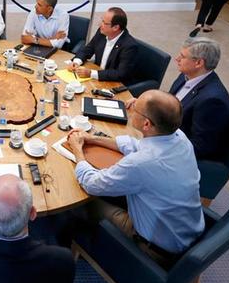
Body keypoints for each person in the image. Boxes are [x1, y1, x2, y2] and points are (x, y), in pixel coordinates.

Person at [68, 90, 205, 269]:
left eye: (135, 108)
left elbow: (92, 184)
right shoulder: (180, 138)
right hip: (184, 230)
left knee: (79, 202)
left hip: (155, 249)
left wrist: (77, 150)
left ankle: (73, 245)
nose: (130, 109)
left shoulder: (142, 163)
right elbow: (137, 146)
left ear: (146, 123)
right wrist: (92, 138)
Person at [168, 37, 229, 161]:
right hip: (164, 131)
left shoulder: (212, 101)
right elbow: (171, 101)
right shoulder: (186, 75)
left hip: (176, 151)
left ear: (198, 63)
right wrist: (149, 104)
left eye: (183, 56)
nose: (177, 59)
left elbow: (199, 147)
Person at [67, 7, 139, 85]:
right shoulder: (102, 32)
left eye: (104, 23)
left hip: (115, 84)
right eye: (102, 20)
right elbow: (88, 49)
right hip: (97, 79)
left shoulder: (129, 46)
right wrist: (76, 62)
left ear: (116, 27)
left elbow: (120, 74)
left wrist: (91, 73)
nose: (100, 24)